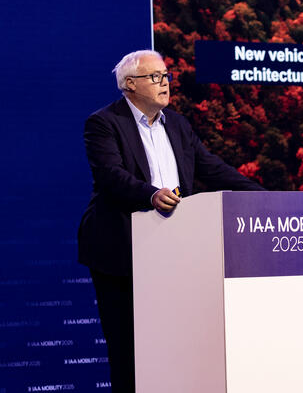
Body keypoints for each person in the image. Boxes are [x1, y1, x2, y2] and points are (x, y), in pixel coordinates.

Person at [79, 49, 264, 392]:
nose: (164, 82)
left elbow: (210, 167)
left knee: (176, 347)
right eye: (155, 77)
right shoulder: (104, 123)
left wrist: (260, 195)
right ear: (130, 85)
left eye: (165, 75)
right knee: (128, 350)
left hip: (175, 252)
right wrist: (150, 195)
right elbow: (111, 176)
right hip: (122, 251)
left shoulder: (177, 123)